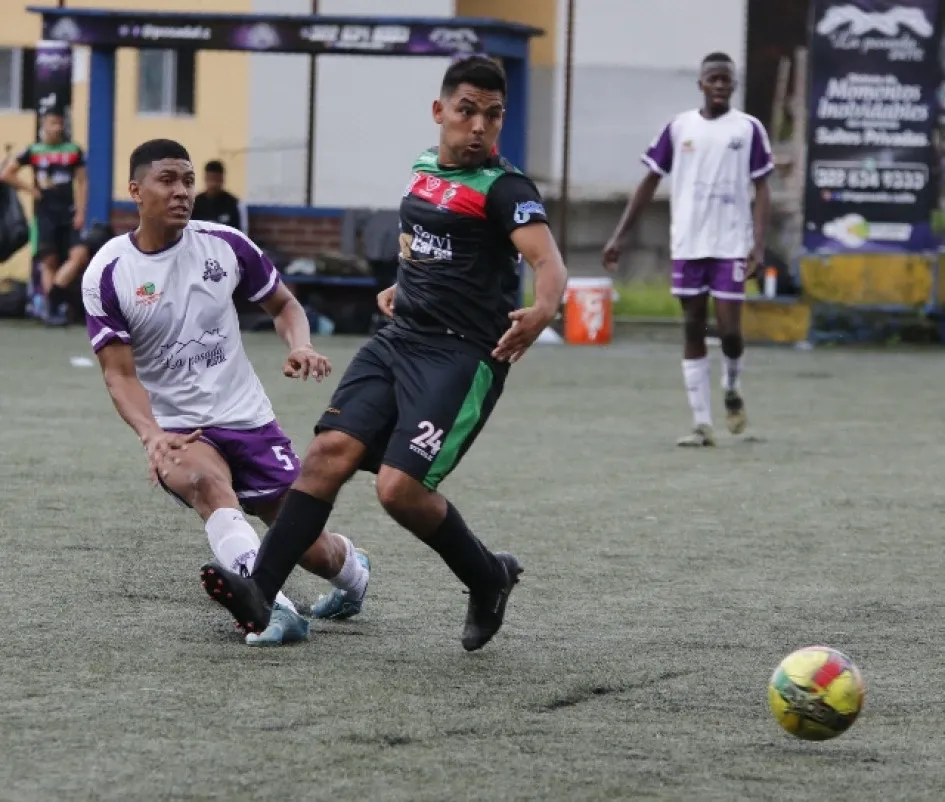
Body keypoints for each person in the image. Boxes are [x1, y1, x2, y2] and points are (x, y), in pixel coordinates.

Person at [199, 55, 569, 650]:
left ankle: (487, 577)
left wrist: (545, 308)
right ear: (439, 111)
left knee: (399, 490)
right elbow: (428, 242)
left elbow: (548, 261)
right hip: (399, 341)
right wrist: (407, 279)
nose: (479, 127)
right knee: (325, 453)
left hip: (460, 356)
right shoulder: (422, 172)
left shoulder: (506, 188)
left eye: (492, 116)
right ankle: (260, 591)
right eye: (467, 111)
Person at [81, 139, 371, 646]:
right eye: (167, 180)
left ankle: (354, 573)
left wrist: (300, 344)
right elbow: (119, 374)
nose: (181, 192)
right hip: (179, 429)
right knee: (205, 487)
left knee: (310, 547)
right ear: (135, 191)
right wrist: (150, 434)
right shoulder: (108, 272)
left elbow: (285, 305)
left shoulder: (226, 244)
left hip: (247, 417)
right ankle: (273, 609)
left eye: (187, 181)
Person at [602, 52, 773, 447]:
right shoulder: (679, 128)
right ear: (700, 83)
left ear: (733, 85)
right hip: (689, 245)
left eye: (726, 79)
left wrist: (758, 245)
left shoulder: (748, 130)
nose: (719, 85)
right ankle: (702, 423)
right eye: (712, 78)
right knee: (693, 325)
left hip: (731, 244)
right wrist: (620, 234)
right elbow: (649, 181)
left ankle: (732, 385)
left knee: (729, 330)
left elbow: (762, 187)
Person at [1, 110, 88, 325]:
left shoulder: (73, 150)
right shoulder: (33, 150)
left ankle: (53, 297)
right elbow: (7, 174)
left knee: (78, 256)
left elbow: (82, 182)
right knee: (49, 260)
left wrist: (80, 211)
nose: (56, 127)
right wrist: (31, 190)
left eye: (59, 123)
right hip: (45, 215)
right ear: (43, 126)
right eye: (52, 123)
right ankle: (53, 310)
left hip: (68, 213)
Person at [192, 160, 244, 231]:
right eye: (211, 179)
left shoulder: (234, 203)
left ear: (222, 179)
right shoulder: (195, 203)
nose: (213, 184)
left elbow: (240, 233)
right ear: (205, 178)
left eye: (217, 179)